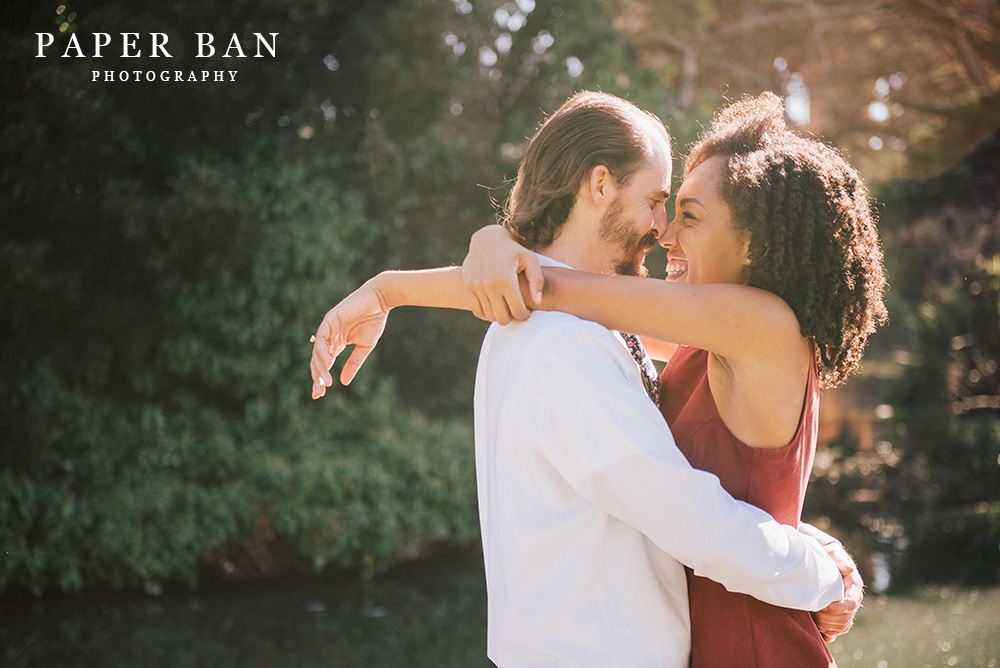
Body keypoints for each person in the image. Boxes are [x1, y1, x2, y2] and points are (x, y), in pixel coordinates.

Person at [310, 91, 866, 668]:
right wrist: (819, 567)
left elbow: (545, 289)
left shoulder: (720, 327)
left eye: (684, 214)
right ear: (600, 184)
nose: (663, 230)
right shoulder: (565, 343)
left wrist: (433, 271)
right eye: (657, 201)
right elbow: (692, 512)